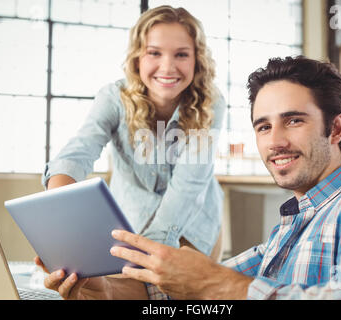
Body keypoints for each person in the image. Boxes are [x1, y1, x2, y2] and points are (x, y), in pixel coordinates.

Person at [38, 56, 341, 300]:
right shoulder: (288, 232)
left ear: (336, 128)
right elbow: (161, 292)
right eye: (263, 127)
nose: (276, 141)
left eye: (294, 120)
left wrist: (216, 286)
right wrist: (97, 287)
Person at [41, 5, 226, 260]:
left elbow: (189, 184)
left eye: (181, 54)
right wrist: (57, 208)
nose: (168, 67)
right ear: (138, 57)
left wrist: (147, 251)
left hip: (193, 226)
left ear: (197, 60)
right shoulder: (114, 98)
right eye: (154, 53)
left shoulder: (209, 104)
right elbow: (80, 150)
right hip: (129, 223)